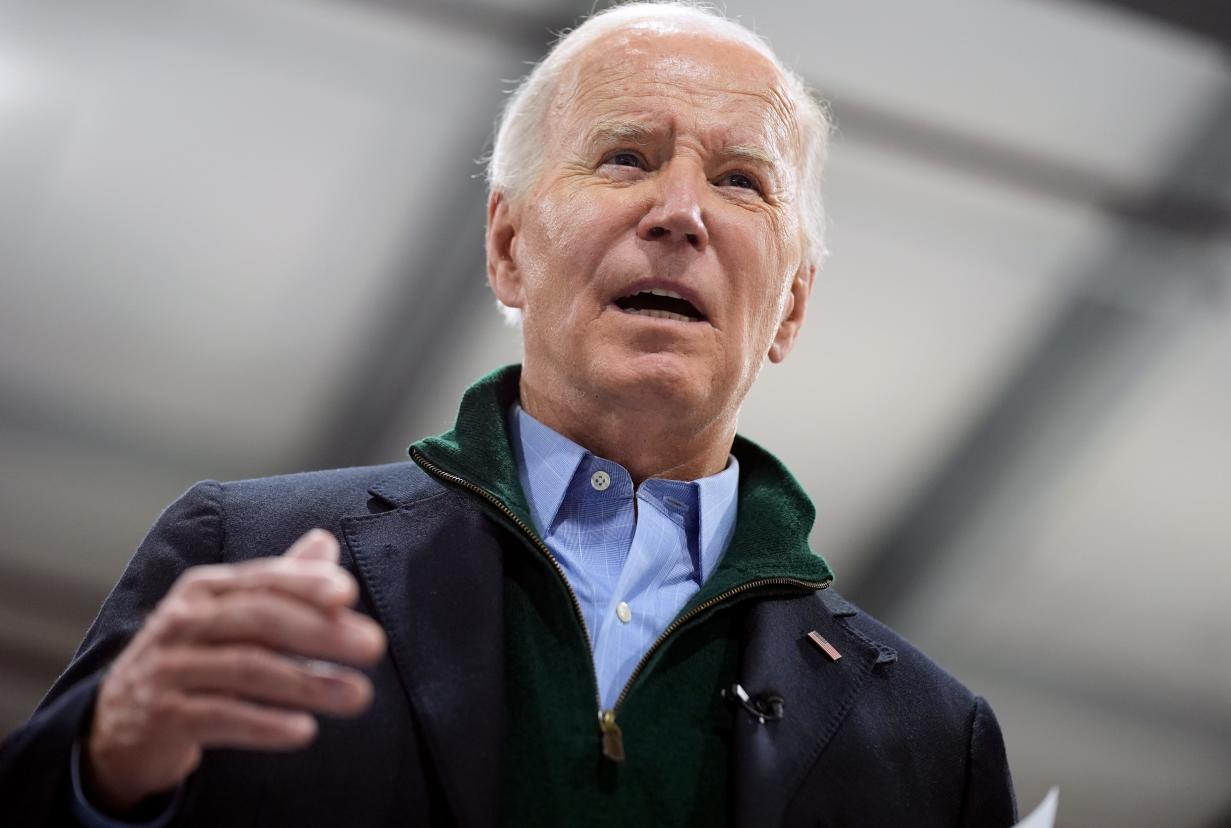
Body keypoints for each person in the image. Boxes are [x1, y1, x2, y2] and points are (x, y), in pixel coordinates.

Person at [0, 3, 1018, 826]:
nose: (680, 212)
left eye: (742, 180)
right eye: (624, 157)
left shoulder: (929, 738)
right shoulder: (252, 553)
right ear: (507, 247)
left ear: (790, 305)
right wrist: (104, 769)